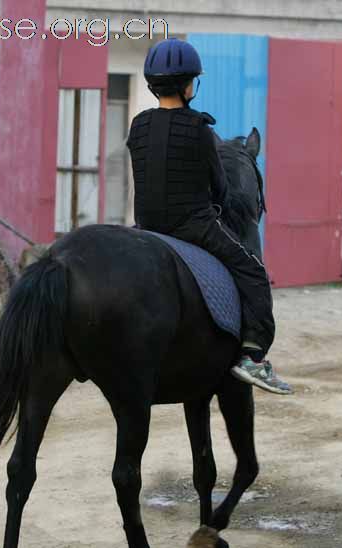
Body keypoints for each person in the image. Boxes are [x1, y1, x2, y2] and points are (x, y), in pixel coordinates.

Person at [126, 38, 292, 395]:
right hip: (192, 226)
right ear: (190, 85)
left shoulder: (137, 126)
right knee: (253, 272)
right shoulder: (200, 129)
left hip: (146, 226)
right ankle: (252, 357)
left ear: (152, 85)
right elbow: (219, 189)